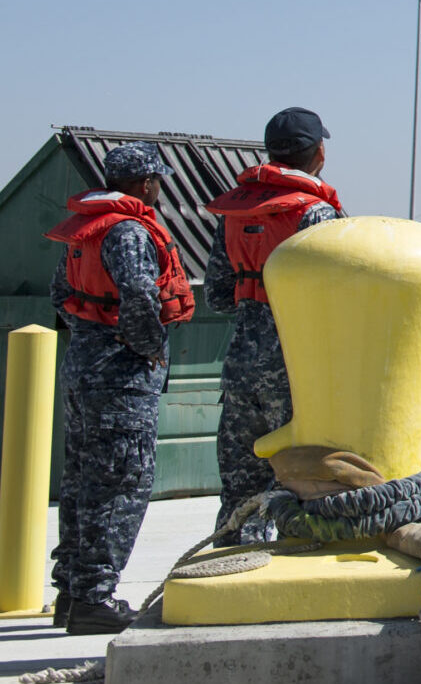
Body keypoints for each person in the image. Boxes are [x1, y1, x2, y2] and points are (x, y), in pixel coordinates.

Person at [47, 141, 193, 633]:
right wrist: (150, 347)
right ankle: (94, 598)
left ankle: (71, 592)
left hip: (82, 370)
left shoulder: (85, 231)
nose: (159, 189)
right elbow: (138, 296)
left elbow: (60, 293)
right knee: (122, 485)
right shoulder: (130, 230)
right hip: (122, 378)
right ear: (143, 182)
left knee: (84, 481)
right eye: (157, 180)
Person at [205, 109, 344, 544]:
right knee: (292, 482)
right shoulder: (318, 214)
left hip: (241, 366)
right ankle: (269, 565)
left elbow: (217, 295)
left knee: (239, 487)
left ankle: (223, 568)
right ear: (319, 153)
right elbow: (339, 300)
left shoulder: (234, 211)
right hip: (295, 369)